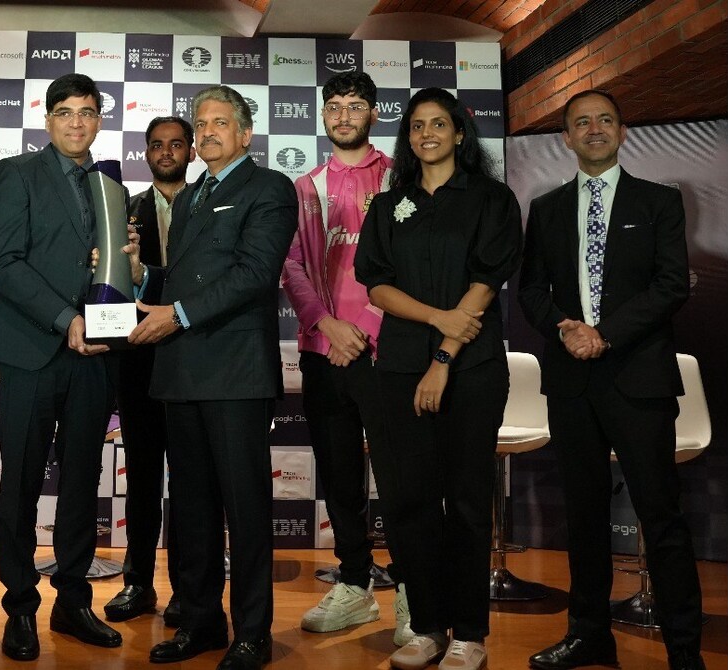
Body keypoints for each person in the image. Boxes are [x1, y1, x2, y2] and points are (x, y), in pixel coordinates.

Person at [519, 90, 704, 670]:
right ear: (566, 138)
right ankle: (589, 634)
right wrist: (567, 331)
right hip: (572, 382)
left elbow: (671, 283)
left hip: (639, 379)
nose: (594, 129)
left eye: (605, 120)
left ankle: (683, 650)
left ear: (623, 133)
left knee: (661, 516)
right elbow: (531, 290)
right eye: (582, 122)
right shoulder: (545, 209)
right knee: (584, 515)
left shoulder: (659, 202)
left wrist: (604, 334)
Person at [129, 84, 297, 670]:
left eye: (219, 123)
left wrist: (175, 314)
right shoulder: (192, 195)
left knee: (245, 511)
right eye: (200, 124)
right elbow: (183, 278)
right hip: (181, 372)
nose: (205, 133)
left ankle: (253, 633)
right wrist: (142, 274)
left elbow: (254, 274)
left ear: (245, 133)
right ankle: (201, 622)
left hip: (235, 373)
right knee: (193, 509)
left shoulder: (269, 187)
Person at [355, 87, 522, 670]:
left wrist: (444, 358)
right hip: (399, 369)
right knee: (410, 503)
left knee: (469, 502)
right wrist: (434, 318)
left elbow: (486, 282)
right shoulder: (388, 205)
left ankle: (470, 634)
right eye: (417, 126)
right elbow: (376, 285)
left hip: (470, 370)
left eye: (438, 124)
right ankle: (427, 627)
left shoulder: (491, 198)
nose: (427, 134)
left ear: (459, 133)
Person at [0, 73, 126, 661]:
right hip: (32, 350)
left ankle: (72, 601)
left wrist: (127, 262)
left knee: (82, 483)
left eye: (87, 112)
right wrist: (66, 319)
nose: (76, 122)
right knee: (19, 484)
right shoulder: (18, 172)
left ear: (99, 120)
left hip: (95, 356)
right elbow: (5, 263)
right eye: (65, 112)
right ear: (48, 119)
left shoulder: (109, 182)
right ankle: (19, 606)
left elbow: (111, 267)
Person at [281, 70, 412, 643]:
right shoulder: (305, 186)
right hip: (324, 350)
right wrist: (330, 328)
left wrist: (366, 330)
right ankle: (355, 585)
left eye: (355, 105)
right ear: (323, 115)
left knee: (400, 475)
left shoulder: (402, 178)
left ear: (374, 114)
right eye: (333, 106)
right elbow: (291, 266)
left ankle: (412, 590)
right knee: (339, 479)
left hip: (388, 351)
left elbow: (413, 265)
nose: (343, 115)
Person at [102, 116, 194, 627]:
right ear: (146, 153)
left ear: (191, 151)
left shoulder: (209, 204)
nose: (166, 152)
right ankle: (138, 583)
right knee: (140, 479)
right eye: (157, 145)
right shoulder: (124, 210)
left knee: (191, 484)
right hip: (137, 362)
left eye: (176, 144)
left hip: (194, 361)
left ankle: (187, 589)